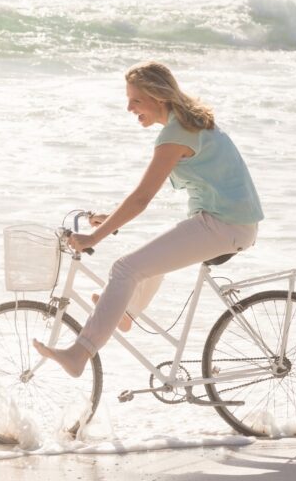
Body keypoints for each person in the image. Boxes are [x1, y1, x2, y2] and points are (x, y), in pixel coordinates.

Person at [33, 61, 263, 377]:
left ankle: (80, 353)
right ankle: (125, 312)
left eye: (135, 100)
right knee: (149, 260)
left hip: (224, 225)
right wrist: (112, 217)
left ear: (158, 97)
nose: (129, 108)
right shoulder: (190, 124)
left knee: (125, 268)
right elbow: (144, 194)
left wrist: (92, 239)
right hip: (228, 223)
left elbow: (142, 198)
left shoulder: (176, 134)